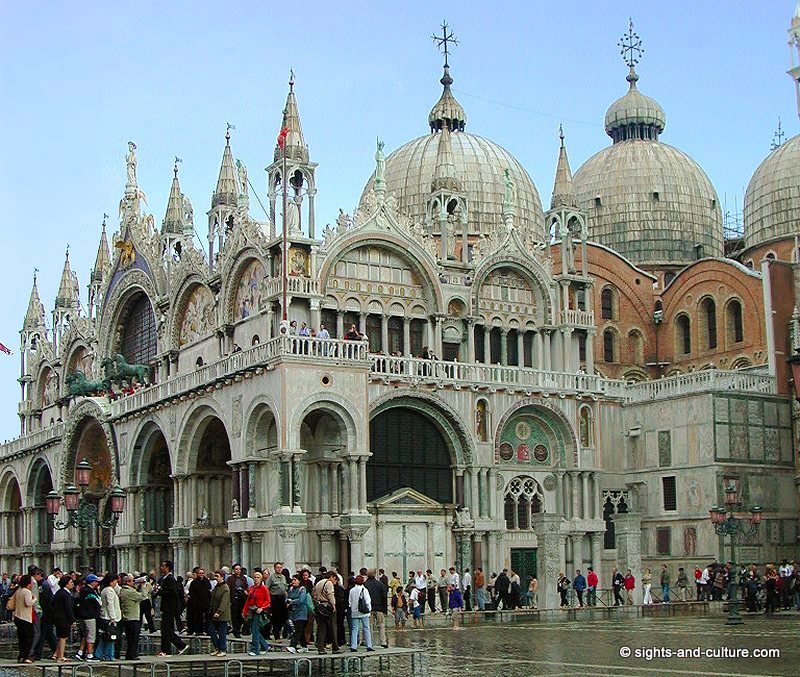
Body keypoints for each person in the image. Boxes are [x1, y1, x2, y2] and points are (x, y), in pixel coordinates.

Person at [154, 560, 188, 657]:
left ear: (167, 567)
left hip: (169, 607)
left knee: (166, 629)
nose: (161, 568)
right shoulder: (166, 578)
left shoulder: (170, 579)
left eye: (163, 566)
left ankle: (169, 649)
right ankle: (177, 647)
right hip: (167, 607)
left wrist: (160, 591)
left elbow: (172, 592)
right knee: (166, 629)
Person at [118, 575, 146, 660]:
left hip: (126, 617)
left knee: (130, 638)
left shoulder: (122, 590)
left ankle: (130, 654)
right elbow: (143, 596)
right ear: (128, 582)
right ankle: (132, 654)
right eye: (132, 581)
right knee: (134, 638)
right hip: (133, 617)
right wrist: (143, 586)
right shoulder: (130, 592)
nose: (134, 582)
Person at [242, 571, 271, 655]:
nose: (256, 579)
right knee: (254, 629)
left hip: (259, 610)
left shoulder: (263, 588)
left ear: (261, 579)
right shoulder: (252, 588)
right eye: (254, 577)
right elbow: (248, 600)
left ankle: (255, 649)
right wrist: (244, 611)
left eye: (258, 577)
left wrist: (262, 607)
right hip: (252, 609)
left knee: (255, 629)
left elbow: (268, 600)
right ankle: (264, 645)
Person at [312, 571, 341, 654]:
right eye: (335, 580)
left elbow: (314, 594)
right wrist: (333, 605)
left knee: (321, 628)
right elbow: (330, 594)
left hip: (319, 606)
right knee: (333, 627)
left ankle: (320, 648)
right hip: (327, 606)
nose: (335, 583)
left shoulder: (318, 583)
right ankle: (335, 647)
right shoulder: (328, 583)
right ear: (332, 577)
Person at [75, 574, 102, 661]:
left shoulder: (82, 590)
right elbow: (98, 602)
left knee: (85, 635)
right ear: (92, 582)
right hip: (89, 616)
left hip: (82, 615)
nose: (97, 583)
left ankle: (80, 652)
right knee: (91, 636)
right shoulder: (90, 591)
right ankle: (90, 654)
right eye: (96, 581)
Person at [96, 573, 121, 661]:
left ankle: (100, 654)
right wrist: (112, 618)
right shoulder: (109, 590)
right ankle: (109, 655)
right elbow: (110, 604)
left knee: (105, 637)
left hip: (106, 616)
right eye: (115, 581)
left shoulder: (105, 589)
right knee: (110, 637)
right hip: (108, 617)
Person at [50, 576, 76, 662]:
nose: (72, 584)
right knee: (63, 637)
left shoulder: (59, 592)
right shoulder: (65, 594)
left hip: (58, 617)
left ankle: (56, 654)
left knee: (61, 636)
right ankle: (61, 656)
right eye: (71, 582)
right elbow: (68, 608)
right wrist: (72, 619)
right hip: (63, 618)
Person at [12, 574, 35, 664]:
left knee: (21, 638)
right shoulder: (27, 592)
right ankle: (25, 656)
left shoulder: (18, 591)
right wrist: (34, 599)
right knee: (29, 637)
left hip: (18, 616)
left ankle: (21, 655)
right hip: (25, 617)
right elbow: (28, 603)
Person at [347, 575, 374, 652]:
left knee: (354, 629)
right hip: (364, 612)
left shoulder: (352, 590)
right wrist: (369, 609)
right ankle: (369, 645)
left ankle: (353, 646)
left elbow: (350, 602)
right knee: (366, 628)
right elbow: (368, 600)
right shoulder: (364, 590)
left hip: (355, 612)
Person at [364, 569, 388, 649]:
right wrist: (385, 609)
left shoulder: (365, 585)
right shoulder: (380, 584)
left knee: (369, 626)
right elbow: (384, 596)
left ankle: (370, 642)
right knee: (381, 625)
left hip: (369, 609)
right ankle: (383, 642)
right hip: (379, 608)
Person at [208, 570, 230, 657]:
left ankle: (223, 649)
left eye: (217, 576)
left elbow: (224, 601)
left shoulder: (225, 588)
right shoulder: (217, 586)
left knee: (222, 632)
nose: (215, 578)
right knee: (211, 630)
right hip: (214, 612)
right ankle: (217, 647)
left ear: (222, 577)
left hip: (222, 614)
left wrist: (219, 611)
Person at [265, 563, 288, 641]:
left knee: (284, 617)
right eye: (277, 567)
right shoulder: (271, 577)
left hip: (282, 598)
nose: (279, 569)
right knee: (276, 617)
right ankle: (276, 635)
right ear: (275, 568)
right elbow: (267, 588)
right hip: (274, 598)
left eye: (280, 567)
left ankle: (279, 630)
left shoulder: (283, 577)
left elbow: (285, 587)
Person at [286, 574, 308, 653]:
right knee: (300, 630)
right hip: (294, 612)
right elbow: (287, 598)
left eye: (295, 580)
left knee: (298, 630)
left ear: (299, 581)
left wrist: (291, 601)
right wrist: (288, 601)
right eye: (293, 580)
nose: (293, 581)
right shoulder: (291, 589)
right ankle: (304, 646)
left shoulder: (302, 589)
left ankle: (293, 645)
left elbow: (301, 600)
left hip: (301, 612)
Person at [187, 568, 212, 636]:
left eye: (202, 573)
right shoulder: (194, 582)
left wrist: (209, 600)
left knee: (207, 617)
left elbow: (209, 591)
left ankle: (208, 630)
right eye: (200, 573)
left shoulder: (207, 581)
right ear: (197, 574)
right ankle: (198, 630)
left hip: (206, 602)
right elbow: (192, 593)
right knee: (198, 617)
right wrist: (195, 601)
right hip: (197, 603)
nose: (201, 575)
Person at [227, 564, 249, 638]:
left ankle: (240, 629)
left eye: (239, 569)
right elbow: (229, 588)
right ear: (233, 570)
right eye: (236, 569)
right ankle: (236, 631)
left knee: (241, 615)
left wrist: (245, 591)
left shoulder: (243, 578)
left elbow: (246, 587)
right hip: (234, 599)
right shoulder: (230, 578)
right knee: (235, 615)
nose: (238, 571)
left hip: (242, 599)